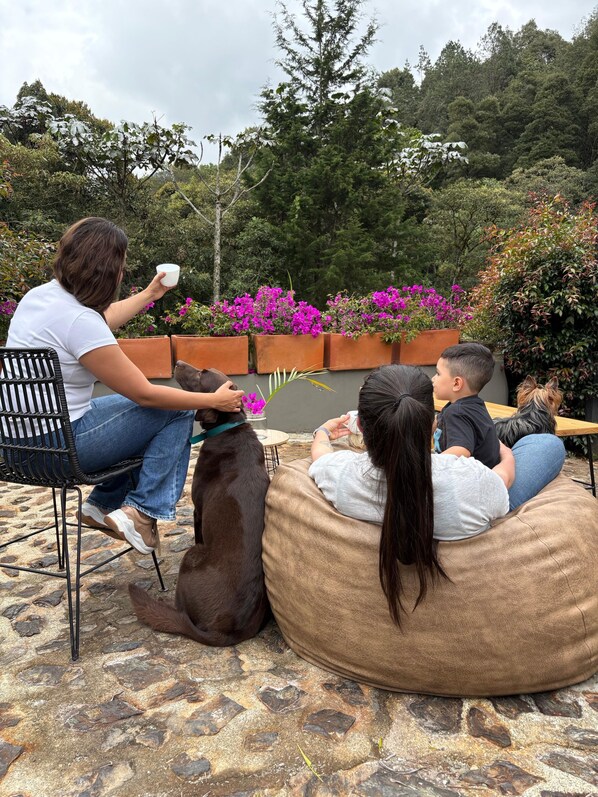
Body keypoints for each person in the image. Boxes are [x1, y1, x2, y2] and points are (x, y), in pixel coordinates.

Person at [5, 217, 244, 554]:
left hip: (13, 446)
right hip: (55, 450)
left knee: (149, 419)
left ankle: (101, 505)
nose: (122, 273)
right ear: (105, 271)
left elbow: (97, 321)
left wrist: (151, 294)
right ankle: (142, 513)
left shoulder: (40, 297)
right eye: (121, 267)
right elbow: (144, 394)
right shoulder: (80, 321)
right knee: (175, 410)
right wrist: (213, 401)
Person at [309, 364, 565, 625]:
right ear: (433, 425)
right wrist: (505, 453)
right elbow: (505, 478)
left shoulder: (342, 473)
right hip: (481, 496)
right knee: (545, 443)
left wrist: (323, 432)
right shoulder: (467, 476)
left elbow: (321, 454)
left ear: (361, 426)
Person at [432, 342, 500, 469]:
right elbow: (437, 421)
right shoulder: (473, 406)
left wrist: (427, 466)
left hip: (473, 478)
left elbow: (461, 451)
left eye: (438, 373)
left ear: (456, 383)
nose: (433, 379)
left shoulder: (457, 413)